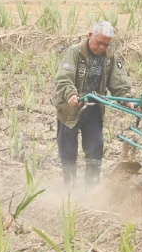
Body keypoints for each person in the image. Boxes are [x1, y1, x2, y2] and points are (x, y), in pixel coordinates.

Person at [52, 21, 134, 190]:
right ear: (90, 36)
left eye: (106, 44)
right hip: (70, 110)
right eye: (99, 42)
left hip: (93, 110)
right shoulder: (73, 54)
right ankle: (70, 189)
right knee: (68, 151)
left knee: (95, 148)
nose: (102, 47)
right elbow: (63, 79)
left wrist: (127, 99)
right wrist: (71, 94)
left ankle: (91, 187)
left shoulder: (109, 58)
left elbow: (118, 84)